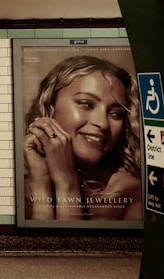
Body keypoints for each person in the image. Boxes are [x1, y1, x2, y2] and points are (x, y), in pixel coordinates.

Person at [23, 55, 142, 221]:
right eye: (86, 103)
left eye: (116, 114)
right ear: (50, 107)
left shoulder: (131, 189)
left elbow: (71, 246)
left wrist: (67, 183)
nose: (102, 123)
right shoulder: (20, 193)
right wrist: (41, 185)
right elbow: (45, 245)